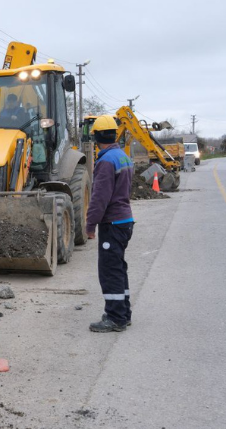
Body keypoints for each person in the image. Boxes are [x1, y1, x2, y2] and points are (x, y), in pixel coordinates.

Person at [86, 114, 135, 333]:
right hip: (125, 220)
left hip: (113, 223)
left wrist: (90, 225)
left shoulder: (105, 161)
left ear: (96, 137)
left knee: (110, 270)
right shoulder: (122, 157)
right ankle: (123, 312)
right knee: (118, 267)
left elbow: (99, 198)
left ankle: (115, 318)